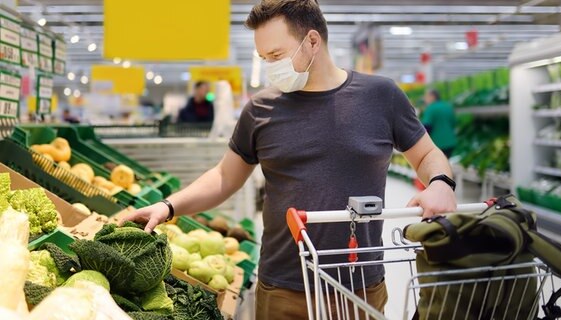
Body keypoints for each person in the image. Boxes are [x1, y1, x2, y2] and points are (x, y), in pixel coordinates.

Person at [122, 1, 457, 319]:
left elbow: (427, 153)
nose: (271, 66)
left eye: (277, 55)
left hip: (359, 285)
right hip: (282, 287)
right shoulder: (260, 110)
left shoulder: (381, 97)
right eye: (264, 57)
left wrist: (440, 184)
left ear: (312, 41)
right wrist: (168, 206)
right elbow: (225, 177)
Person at [421, 89, 457, 158]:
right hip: (450, 142)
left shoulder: (431, 108)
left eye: (426, 97)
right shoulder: (448, 106)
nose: (425, 99)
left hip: (437, 143)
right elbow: (454, 123)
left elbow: (427, 127)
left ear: (432, 96)